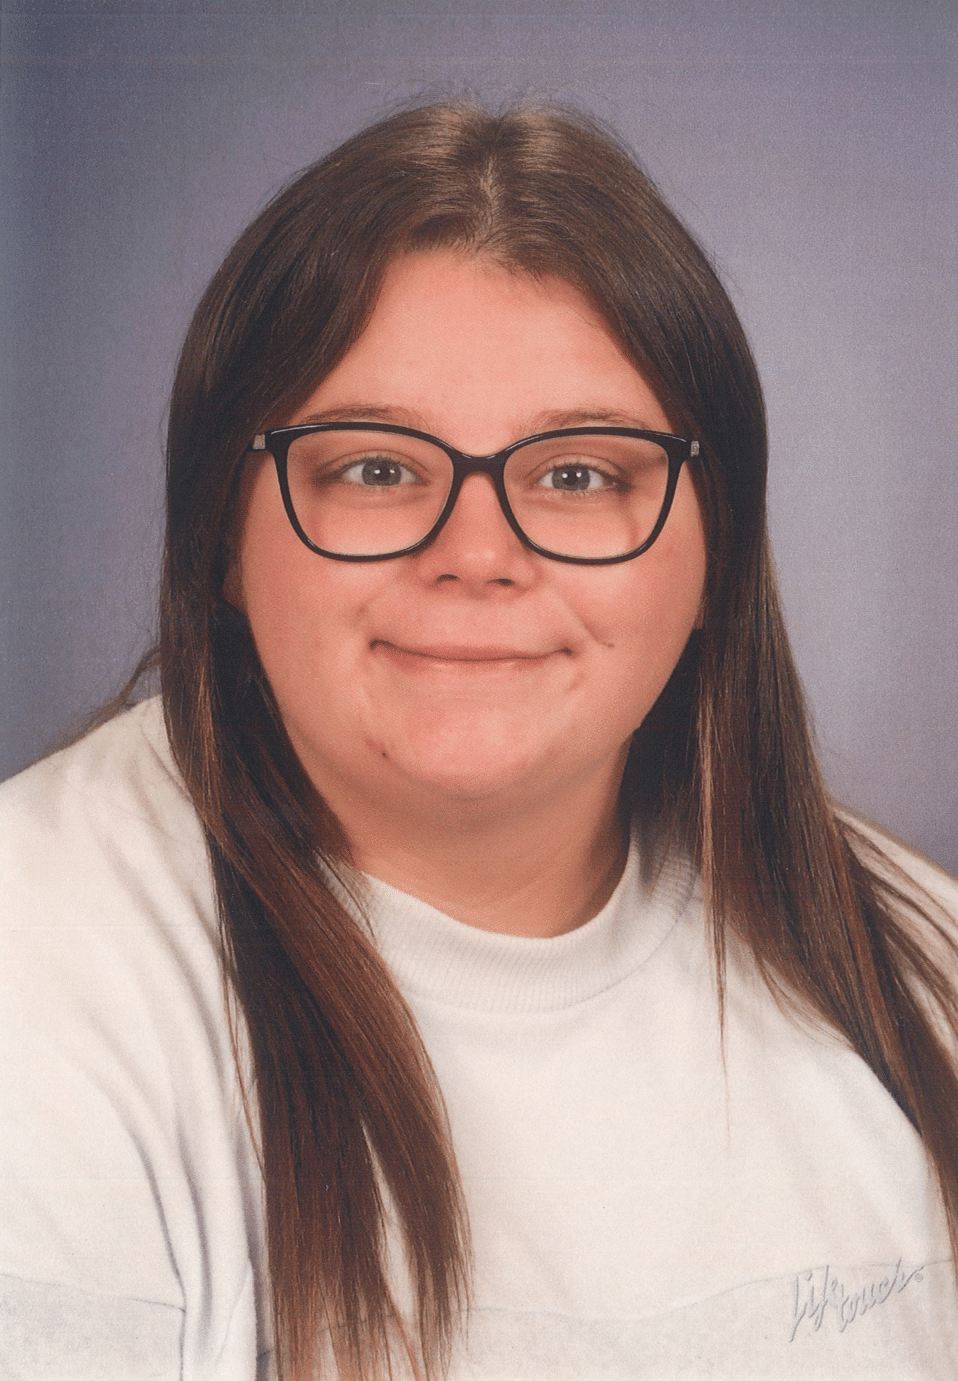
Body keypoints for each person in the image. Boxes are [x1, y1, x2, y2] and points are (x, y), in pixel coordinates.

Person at [1, 102, 956, 1381]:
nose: (477, 556)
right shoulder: (40, 984)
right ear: (220, 533)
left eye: (575, 474)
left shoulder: (920, 967)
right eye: (377, 469)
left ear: (711, 538)